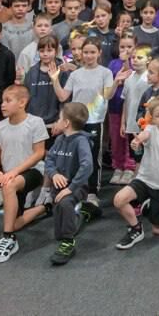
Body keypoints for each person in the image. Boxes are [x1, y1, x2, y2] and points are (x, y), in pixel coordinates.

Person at [0, 85, 51, 263]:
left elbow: (39, 153)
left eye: (8, 101)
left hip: (33, 171)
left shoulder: (35, 122)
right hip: (11, 176)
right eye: (2, 101)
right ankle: (44, 208)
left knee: (9, 185)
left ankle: (8, 238)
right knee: (14, 223)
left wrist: (14, 172)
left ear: (22, 103)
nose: (2, 104)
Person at [115, 95, 159, 247]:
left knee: (157, 230)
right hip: (144, 180)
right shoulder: (150, 129)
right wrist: (137, 141)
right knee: (119, 200)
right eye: (158, 115)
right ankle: (136, 228)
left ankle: (149, 207)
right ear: (152, 118)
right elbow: (143, 135)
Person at [42, 102, 96, 265]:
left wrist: (71, 188)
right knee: (60, 221)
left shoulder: (81, 141)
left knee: (65, 205)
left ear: (66, 123)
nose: (56, 122)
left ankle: (68, 242)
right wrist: (54, 174)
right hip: (59, 186)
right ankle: (84, 213)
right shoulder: (60, 139)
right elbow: (49, 160)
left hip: (76, 187)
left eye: (59, 119)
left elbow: (87, 166)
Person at [66, 40, 115, 195]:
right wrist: (54, 80)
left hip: (95, 120)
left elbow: (108, 95)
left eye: (92, 52)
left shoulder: (105, 73)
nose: (89, 56)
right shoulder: (75, 74)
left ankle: (93, 191)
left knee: (93, 156)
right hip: (76, 121)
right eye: (86, 52)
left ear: (99, 53)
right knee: (75, 156)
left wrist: (116, 82)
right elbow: (63, 96)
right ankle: (74, 189)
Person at [107, 36, 138, 186]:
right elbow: (109, 83)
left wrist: (126, 62)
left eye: (129, 47)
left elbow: (131, 78)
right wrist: (117, 81)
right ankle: (118, 166)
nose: (126, 50)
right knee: (116, 138)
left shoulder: (136, 63)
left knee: (129, 137)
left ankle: (130, 166)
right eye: (122, 47)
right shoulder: (113, 63)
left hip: (132, 108)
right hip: (114, 106)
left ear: (135, 47)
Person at [23, 35, 68, 129]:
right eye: (42, 51)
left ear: (56, 51)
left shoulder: (63, 71)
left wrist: (61, 120)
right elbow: (26, 97)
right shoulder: (32, 72)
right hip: (33, 124)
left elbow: (66, 101)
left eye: (49, 50)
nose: (45, 54)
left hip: (55, 125)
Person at [15, 15, 55, 81]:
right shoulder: (26, 52)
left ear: (51, 29)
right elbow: (21, 76)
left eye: (46, 26)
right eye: (39, 26)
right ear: (33, 28)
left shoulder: (58, 47)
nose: (43, 28)